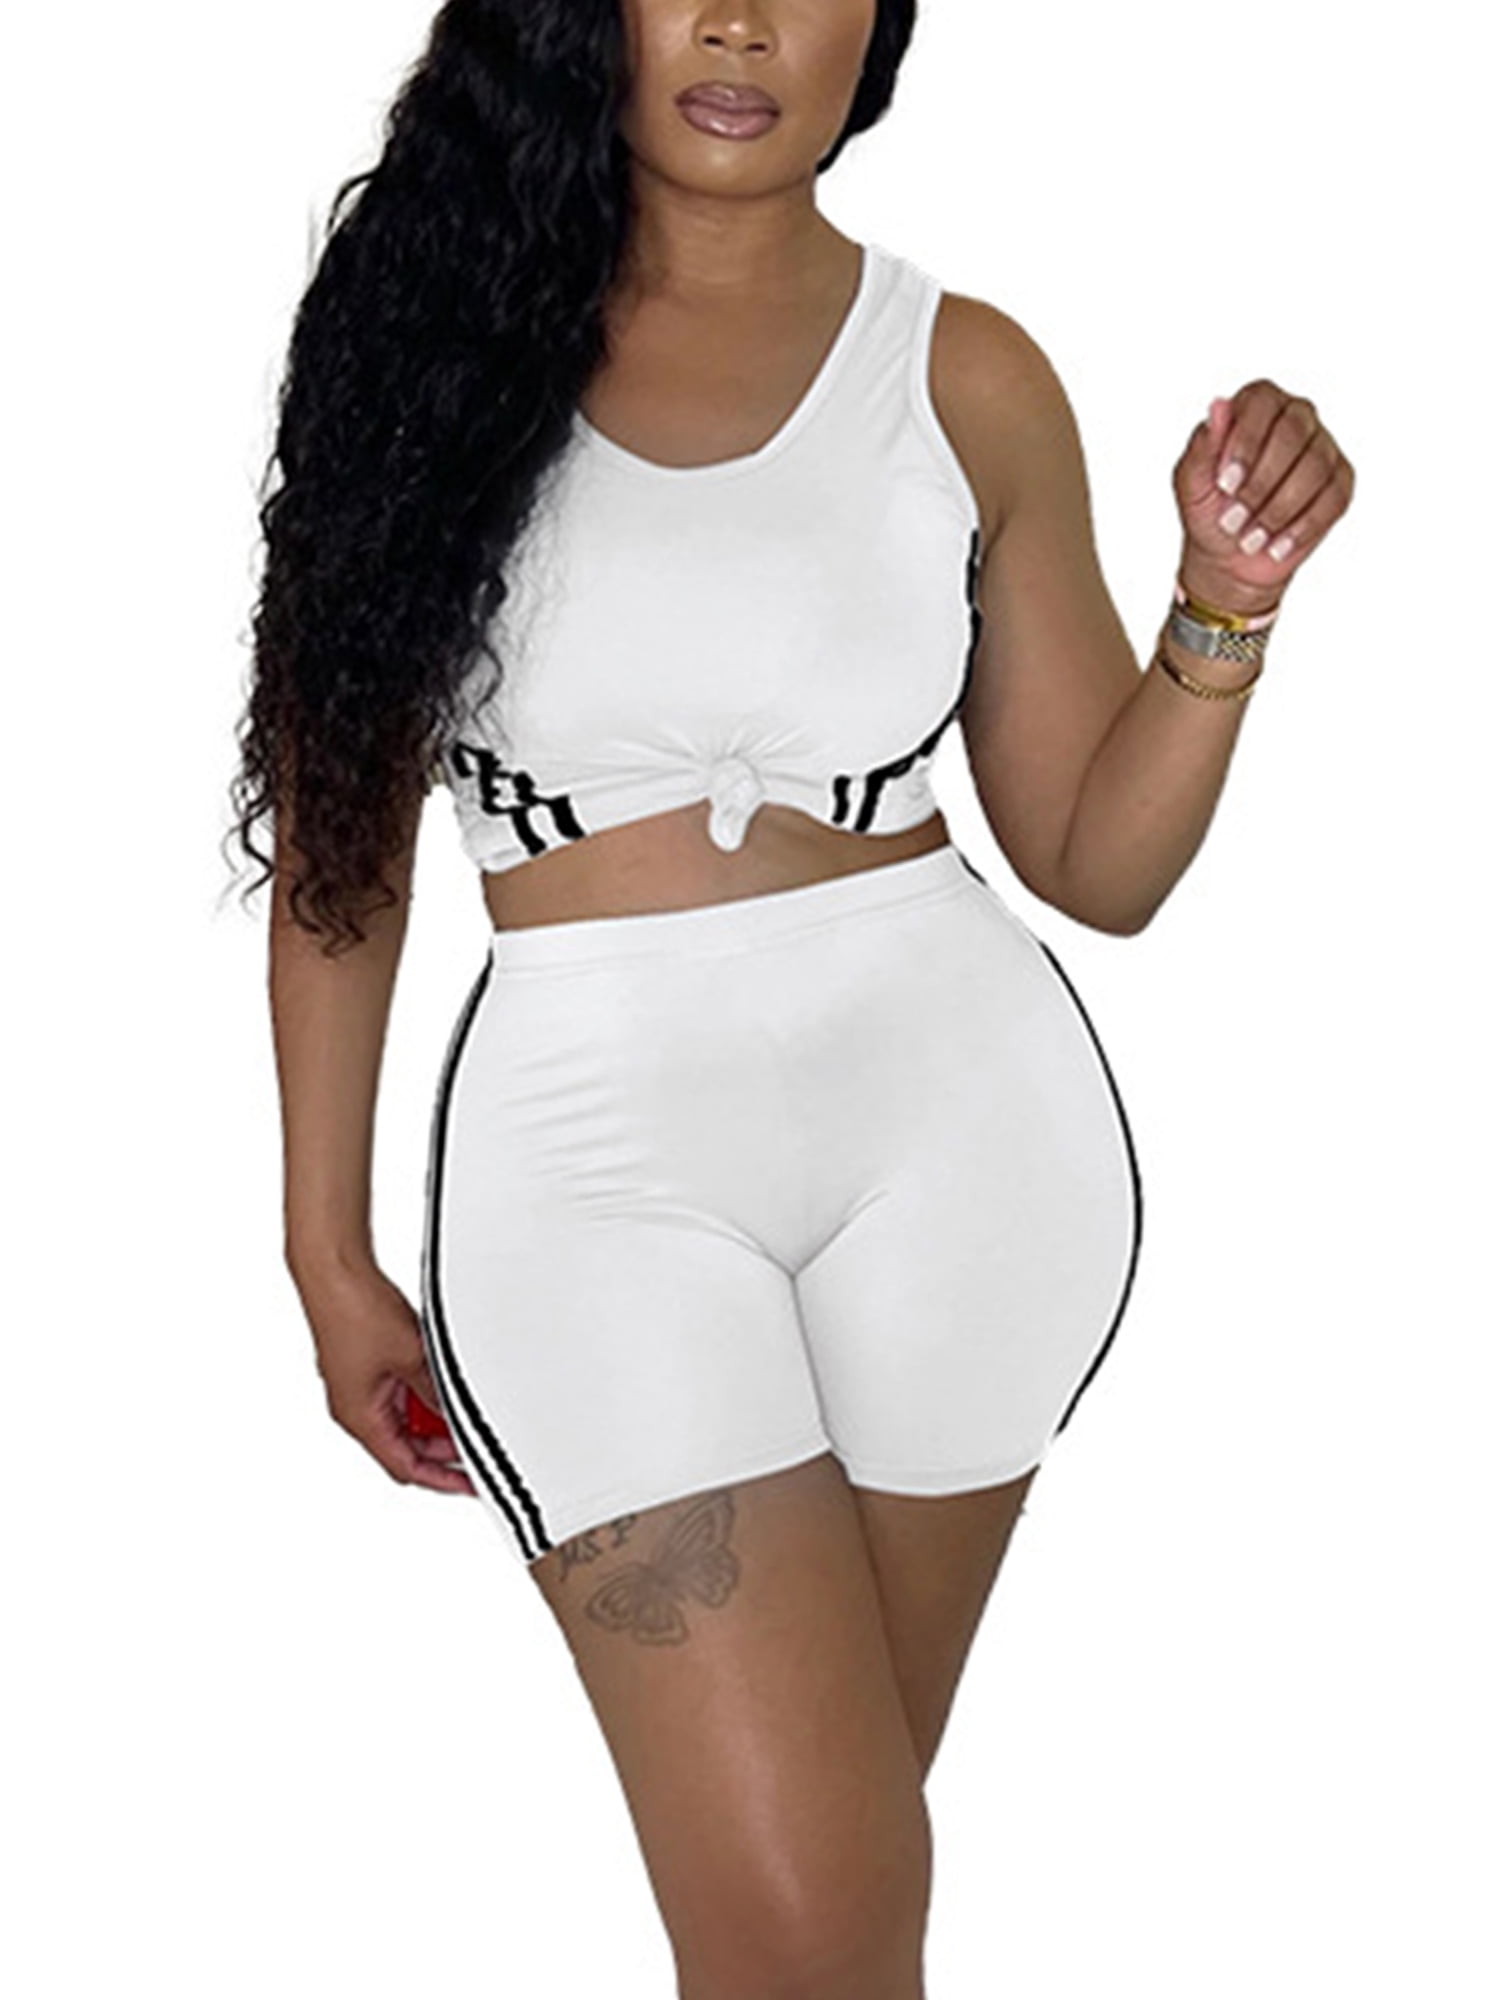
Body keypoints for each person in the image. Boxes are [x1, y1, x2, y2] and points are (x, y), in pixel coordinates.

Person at [229, 3, 1354, 1995]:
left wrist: (1227, 600)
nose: (741, 18)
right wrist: (326, 1250)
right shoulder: (431, 337)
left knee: (832, 1922)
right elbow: (341, 838)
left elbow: (1097, 860)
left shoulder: (968, 373)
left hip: (963, 1152)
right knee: (807, 1927)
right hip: (595, 1174)